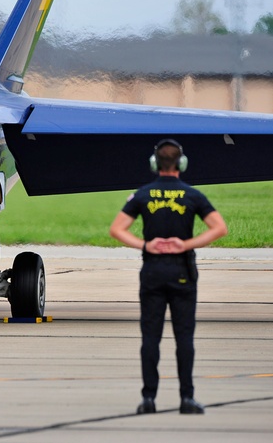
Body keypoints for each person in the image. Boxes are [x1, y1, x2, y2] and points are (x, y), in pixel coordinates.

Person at [110, 138, 228, 415]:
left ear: (155, 164)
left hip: (152, 270)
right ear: (181, 163)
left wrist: (145, 245)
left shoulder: (142, 194)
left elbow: (117, 229)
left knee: (150, 338)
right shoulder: (192, 195)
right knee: (184, 338)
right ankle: (187, 398)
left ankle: (148, 399)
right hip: (182, 272)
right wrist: (185, 244)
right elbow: (219, 227)